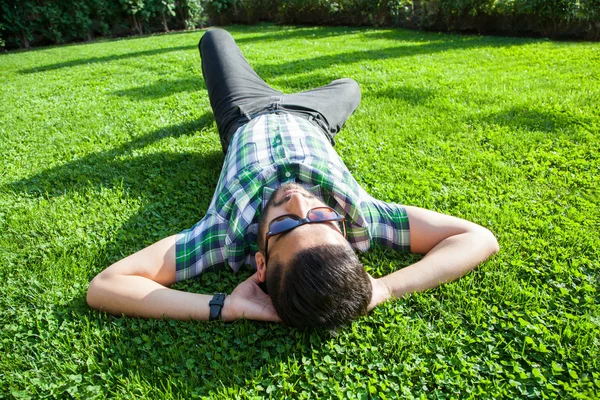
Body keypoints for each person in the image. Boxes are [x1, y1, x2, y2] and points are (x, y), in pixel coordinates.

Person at [86, 28, 499, 329]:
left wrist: (223, 306)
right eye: (321, 218)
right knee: (351, 85)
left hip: (243, 110)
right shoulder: (362, 220)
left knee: (214, 38)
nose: (299, 202)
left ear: (261, 264)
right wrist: (385, 288)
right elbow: (478, 238)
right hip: (312, 115)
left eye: (285, 225)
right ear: (343, 235)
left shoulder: (223, 236)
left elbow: (106, 285)